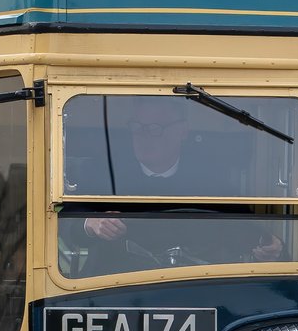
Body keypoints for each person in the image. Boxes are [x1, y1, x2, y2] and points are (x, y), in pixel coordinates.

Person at [78, 100, 282, 265]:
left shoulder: (210, 178)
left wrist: (269, 246)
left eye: (154, 128)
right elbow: (62, 223)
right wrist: (92, 224)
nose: (143, 136)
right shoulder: (103, 171)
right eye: (137, 127)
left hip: (187, 287)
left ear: (182, 131)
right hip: (111, 289)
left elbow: (241, 230)